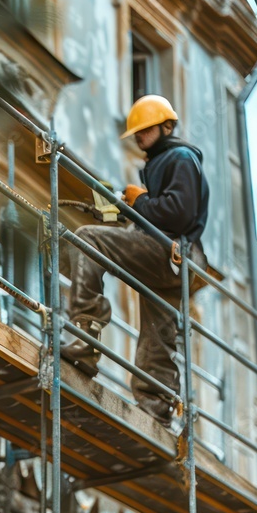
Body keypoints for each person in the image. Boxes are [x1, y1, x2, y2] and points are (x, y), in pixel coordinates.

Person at [60, 94, 209, 427]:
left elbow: (179, 213)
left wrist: (139, 202)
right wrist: (123, 212)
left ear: (166, 126)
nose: (139, 137)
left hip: (172, 250)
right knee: (160, 329)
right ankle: (156, 405)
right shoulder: (164, 163)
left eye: (145, 130)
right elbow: (165, 215)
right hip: (177, 261)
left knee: (87, 239)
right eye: (137, 132)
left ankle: (85, 338)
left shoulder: (180, 157)